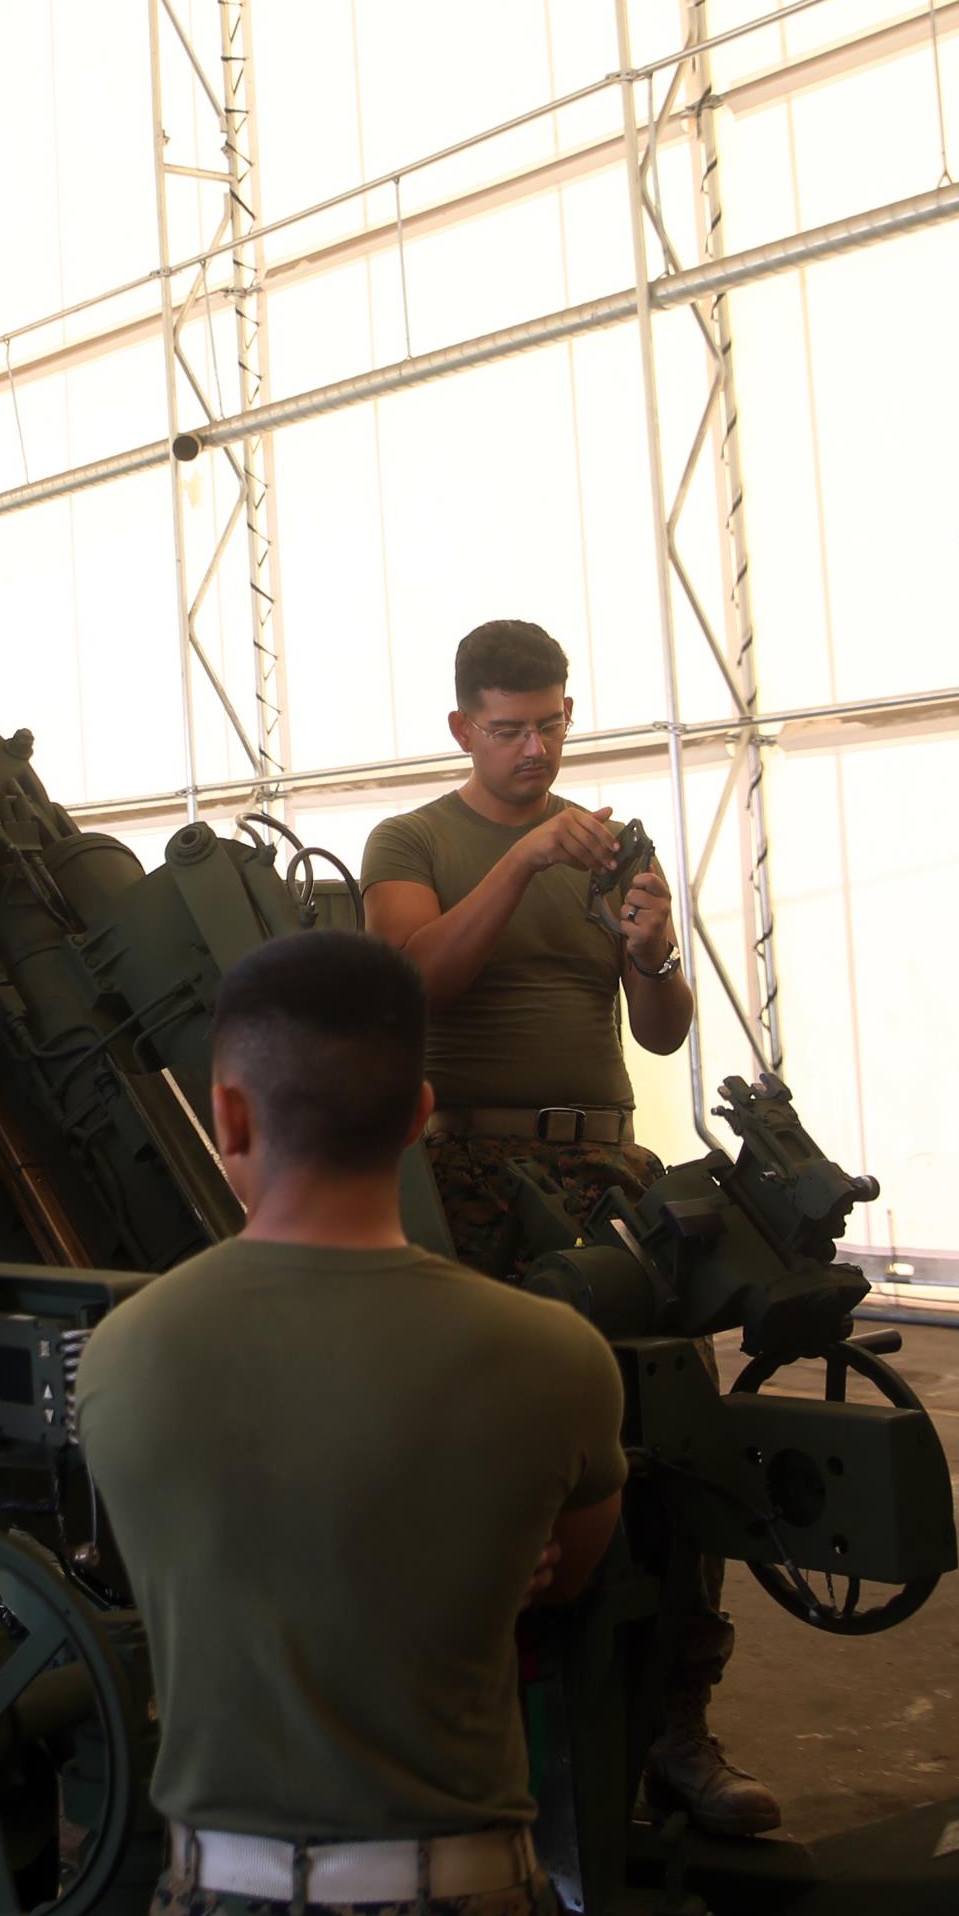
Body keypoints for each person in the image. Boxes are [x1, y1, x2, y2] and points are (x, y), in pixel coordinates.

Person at [81, 930, 623, 1916]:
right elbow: (568, 1569)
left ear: (228, 1115)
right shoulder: (558, 1357)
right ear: (420, 1116)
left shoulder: (122, 1354)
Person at [360, 619, 770, 1835]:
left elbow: (660, 1029)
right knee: (499, 1455)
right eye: (509, 729)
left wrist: (652, 950)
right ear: (462, 729)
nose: (536, 749)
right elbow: (411, 982)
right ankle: (505, 1743)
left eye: (552, 724)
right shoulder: (415, 841)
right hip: (472, 1174)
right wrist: (528, 858)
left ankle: (677, 1729)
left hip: (606, 1168)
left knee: (675, 1431)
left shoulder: (611, 848)